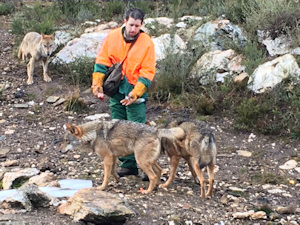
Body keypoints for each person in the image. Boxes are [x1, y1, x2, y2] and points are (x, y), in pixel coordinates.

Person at [91, 8, 155, 180]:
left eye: (137, 25)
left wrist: (136, 93)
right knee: (119, 129)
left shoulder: (147, 43)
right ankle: (128, 166)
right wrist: (97, 84)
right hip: (117, 89)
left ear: (142, 24)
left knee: (137, 129)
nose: (133, 29)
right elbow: (102, 62)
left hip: (135, 91)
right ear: (125, 21)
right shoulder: (112, 37)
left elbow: (147, 72)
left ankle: (147, 167)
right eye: (131, 24)